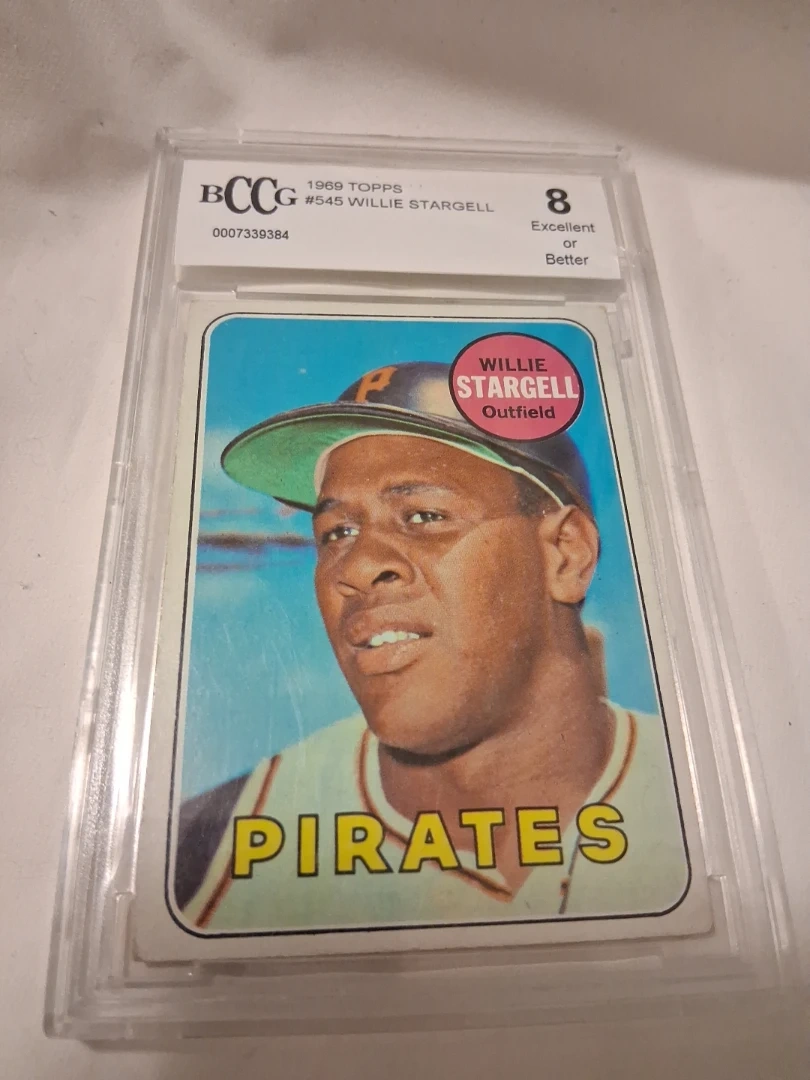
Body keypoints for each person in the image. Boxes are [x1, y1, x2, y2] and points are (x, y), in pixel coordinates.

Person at [174, 362, 689, 933]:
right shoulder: (204, 856)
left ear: (565, 555)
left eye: (424, 516)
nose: (357, 566)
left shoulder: (708, 802)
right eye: (337, 533)